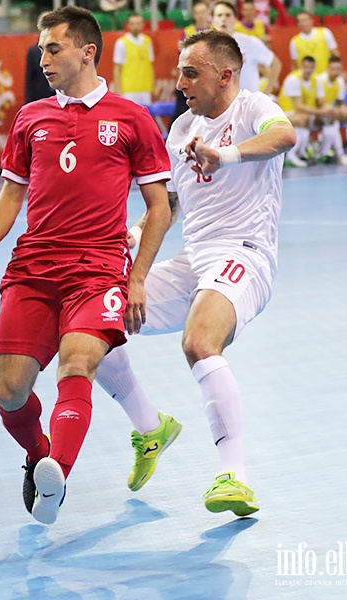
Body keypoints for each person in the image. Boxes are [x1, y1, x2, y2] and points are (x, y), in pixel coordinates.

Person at [0, 6, 171, 526]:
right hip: (32, 268)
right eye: (41, 50)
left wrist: (137, 275)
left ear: (87, 51)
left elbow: (161, 207)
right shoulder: (30, 118)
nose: (44, 59)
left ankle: (58, 472)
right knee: (10, 391)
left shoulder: (131, 118)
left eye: (53, 49)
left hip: (98, 268)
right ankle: (39, 455)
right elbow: (13, 192)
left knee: (77, 364)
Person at [94, 28, 296, 519]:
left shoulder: (251, 106)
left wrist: (225, 154)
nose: (179, 81)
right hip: (194, 260)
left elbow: (284, 135)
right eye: (179, 71)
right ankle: (150, 427)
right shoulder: (181, 128)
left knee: (199, 342)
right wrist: (135, 236)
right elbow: (171, 204)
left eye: (191, 72)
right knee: (89, 319)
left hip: (244, 254)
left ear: (225, 75)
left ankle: (236, 477)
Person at [212, 1, 279, 96]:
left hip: (248, 103)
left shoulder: (250, 42)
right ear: (213, 21)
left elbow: (276, 64)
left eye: (228, 15)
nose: (223, 19)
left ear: (235, 19)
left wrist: (266, 93)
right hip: (220, 104)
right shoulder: (207, 46)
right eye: (219, 15)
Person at [277, 56, 326, 167]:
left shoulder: (316, 81)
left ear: (314, 68)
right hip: (286, 113)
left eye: (311, 67)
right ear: (301, 67)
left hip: (306, 114)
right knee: (302, 119)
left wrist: (327, 111)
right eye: (305, 67)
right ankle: (291, 155)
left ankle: (323, 153)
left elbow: (321, 102)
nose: (308, 70)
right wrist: (320, 112)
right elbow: (298, 107)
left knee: (329, 119)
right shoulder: (293, 79)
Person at [289, 10, 339, 74]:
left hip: (324, 77)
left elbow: (335, 54)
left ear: (311, 21)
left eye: (305, 20)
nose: (303, 23)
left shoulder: (325, 33)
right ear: (298, 24)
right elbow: (294, 64)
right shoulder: (294, 41)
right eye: (300, 21)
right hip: (306, 80)